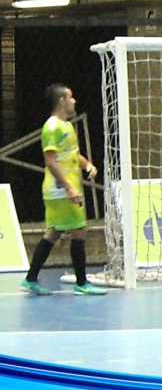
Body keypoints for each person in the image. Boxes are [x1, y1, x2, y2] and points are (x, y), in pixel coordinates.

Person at [20, 84, 107, 296]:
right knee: (80, 230)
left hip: (64, 190)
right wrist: (68, 188)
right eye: (71, 97)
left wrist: (87, 164)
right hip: (59, 190)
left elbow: (71, 154)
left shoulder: (66, 126)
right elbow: (50, 161)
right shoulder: (52, 127)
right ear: (61, 101)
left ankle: (31, 279)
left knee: (53, 232)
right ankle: (82, 283)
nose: (74, 101)